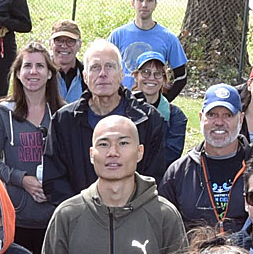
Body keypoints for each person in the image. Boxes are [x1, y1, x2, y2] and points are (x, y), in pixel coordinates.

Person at [39, 113, 189, 254]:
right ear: (91, 154)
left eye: (123, 143)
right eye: (104, 144)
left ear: (139, 152)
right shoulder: (68, 215)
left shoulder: (163, 215)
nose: (113, 152)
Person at [45, 40, 164, 203]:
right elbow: (54, 179)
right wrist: (80, 209)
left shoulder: (148, 120)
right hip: (79, 212)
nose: (102, 74)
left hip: (134, 211)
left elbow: (155, 177)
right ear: (85, 77)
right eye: (95, 67)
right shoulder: (63, 121)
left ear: (121, 74)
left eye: (109, 66)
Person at [0, 39, 59, 254]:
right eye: (27, 66)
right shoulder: (2, 113)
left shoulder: (62, 114)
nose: (33, 72)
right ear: (17, 73)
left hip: (55, 216)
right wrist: (22, 179)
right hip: (16, 215)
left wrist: (52, 186)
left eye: (40, 66)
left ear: (49, 73)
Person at [160, 84, 253, 236]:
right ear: (201, 118)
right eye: (212, 115)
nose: (219, 122)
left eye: (228, 115)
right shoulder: (179, 172)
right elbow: (163, 226)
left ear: (241, 119)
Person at [110, 0, 189, 97]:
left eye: (149, 0)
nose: (144, 4)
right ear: (133, 3)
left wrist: (164, 101)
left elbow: (181, 77)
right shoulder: (117, 35)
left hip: (152, 103)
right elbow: (107, 69)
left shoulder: (169, 38)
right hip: (122, 101)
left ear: (155, 4)